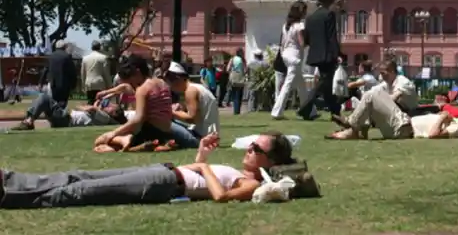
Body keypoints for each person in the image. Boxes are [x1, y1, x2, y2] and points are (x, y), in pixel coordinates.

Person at [0, 130, 319, 208]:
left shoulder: (251, 184)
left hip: (164, 183)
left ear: (270, 161)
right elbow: (201, 173)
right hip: (165, 170)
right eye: (251, 145)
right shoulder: (239, 169)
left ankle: (10, 196)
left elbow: (220, 197)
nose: (248, 150)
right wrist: (202, 155)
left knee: (81, 191)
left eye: (256, 149)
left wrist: (203, 167)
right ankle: (11, 179)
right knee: (78, 175)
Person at [327, 86, 458, 140]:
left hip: (404, 128)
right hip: (404, 122)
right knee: (378, 92)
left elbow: (434, 135)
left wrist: (442, 118)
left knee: (372, 95)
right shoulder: (457, 121)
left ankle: (352, 125)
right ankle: (357, 129)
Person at [93, 56, 178, 153]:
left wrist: (114, 133)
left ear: (137, 72)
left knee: (98, 142)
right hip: (167, 132)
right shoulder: (163, 83)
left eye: (130, 79)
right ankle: (156, 145)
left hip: (150, 131)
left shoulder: (142, 89)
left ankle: (126, 143)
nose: (131, 84)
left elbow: (138, 119)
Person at [296, 0, 342, 120]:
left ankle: (335, 112)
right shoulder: (329, 15)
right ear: (328, 2)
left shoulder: (310, 17)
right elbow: (332, 36)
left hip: (315, 53)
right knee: (324, 83)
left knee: (327, 84)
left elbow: (308, 38)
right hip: (327, 54)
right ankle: (305, 108)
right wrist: (337, 53)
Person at [164, 62, 220, 147]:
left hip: (201, 138)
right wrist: (180, 110)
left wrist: (171, 112)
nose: (171, 89)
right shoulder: (197, 87)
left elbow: (192, 119)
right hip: (210, 137)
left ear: (178, 79)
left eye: (171, 85)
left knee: (164, 122)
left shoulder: (190, 91)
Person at [10, 94, 125, 131]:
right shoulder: (104, 117)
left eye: (110, 106)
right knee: (45, 101)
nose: (107, 104)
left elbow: (90, 109)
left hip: (66, 120)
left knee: (44, 98)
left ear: (114, 113)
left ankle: (29, 121)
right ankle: (29, 121)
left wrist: (93, 106)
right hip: (66, 119)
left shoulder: (106, 118)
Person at [272, 2, 308, 119]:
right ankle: (277, 112)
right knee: (288, 85)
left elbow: (282, 43)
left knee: (301, 85)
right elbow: (302, 43)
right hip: (295, 57)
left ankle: (309, 111)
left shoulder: (286, 26)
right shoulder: (299, 26)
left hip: (286, 55)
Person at [47, 41, 77, 109]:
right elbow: (72, 72)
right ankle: (61, 117)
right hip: (64, 84)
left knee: (54, 102)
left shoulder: (51, 56)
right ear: (65, 47)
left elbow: (46, 69)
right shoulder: (67, 56)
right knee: (62, 103)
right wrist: (73, 84)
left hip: (53, 84)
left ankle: (55, 116)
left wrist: (41, 81)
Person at [226, 49, 247, 115]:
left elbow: (228, 69)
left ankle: (235, 111)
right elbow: (245, 70)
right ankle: (238, 111)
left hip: (233, 79)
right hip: (241, 79)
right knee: (239, 95)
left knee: (234, 95)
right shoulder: (243, 60)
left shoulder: (232, 59)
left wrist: (232, 71)